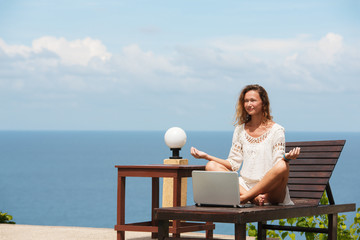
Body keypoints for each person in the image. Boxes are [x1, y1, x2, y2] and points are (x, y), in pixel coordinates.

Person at [190, 84, 300, 206]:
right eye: (246, 101)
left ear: (263, 103)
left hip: (270, 191)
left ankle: (245, 198)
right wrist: (206, 156)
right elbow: (233, 164)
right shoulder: (240, 130)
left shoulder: (277, 130)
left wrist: (286, 158)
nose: (248, 104)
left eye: (253, 100)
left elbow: (277, 164)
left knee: (283, 166)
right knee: (211, 165)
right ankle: (253, 198)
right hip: (245, 186)